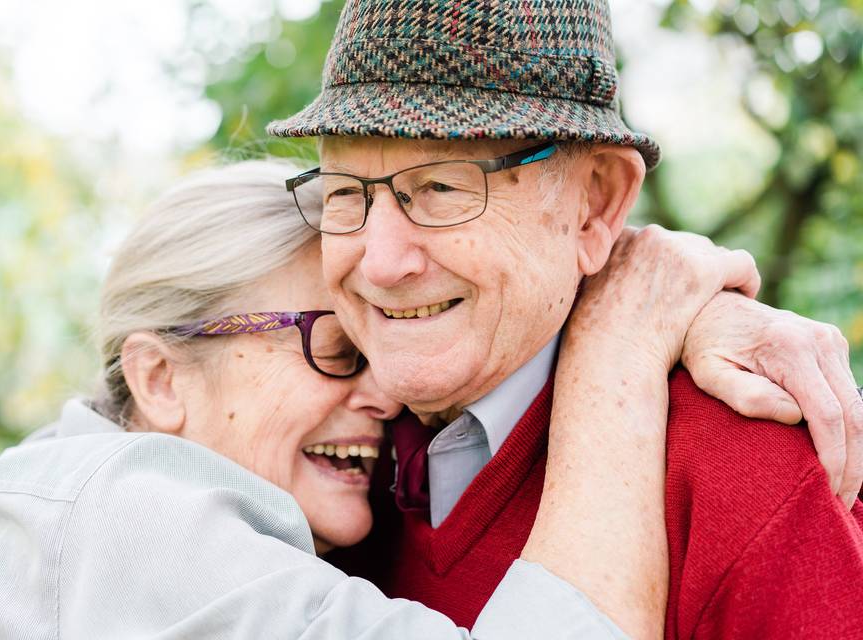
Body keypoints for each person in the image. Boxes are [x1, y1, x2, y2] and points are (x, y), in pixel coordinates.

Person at [0, 159, 758, 639]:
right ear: (160, 379)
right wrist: (621, 341)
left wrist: (699, 315)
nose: (387, 390)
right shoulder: (126, 519)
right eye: (335, 346)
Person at [267, 0, 863, 638]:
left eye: (443, 187)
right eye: (343, 193)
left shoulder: (742, 477)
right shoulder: (328, 468)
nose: (381, 263)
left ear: (595, 204)